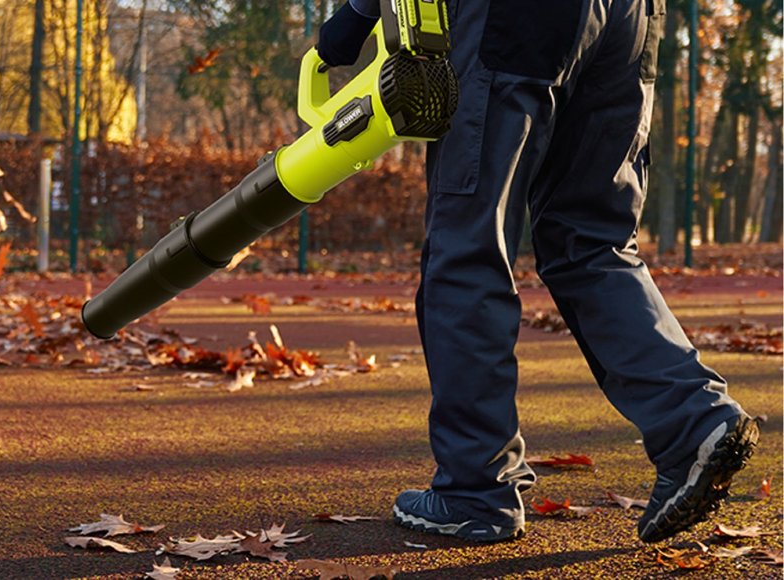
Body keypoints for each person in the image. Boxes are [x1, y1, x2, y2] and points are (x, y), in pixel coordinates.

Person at [316, 0, 759, 544]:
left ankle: (475, 490)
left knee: (468, 246)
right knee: (594, 244)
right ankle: (695, 422)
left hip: (516, 21)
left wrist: (355, 17)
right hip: (632, 23)